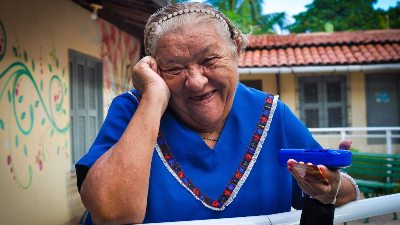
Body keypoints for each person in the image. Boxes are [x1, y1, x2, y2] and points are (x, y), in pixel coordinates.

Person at [75, 2, 359, 224]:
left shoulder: (272, 114)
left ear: (235, 49)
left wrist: (329, 187)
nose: (196, 81)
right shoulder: (133, 110)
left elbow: (341, 190)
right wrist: (153, 98)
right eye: (174, 68)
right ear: (155, 69)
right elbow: (111, 214)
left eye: (210, 59)